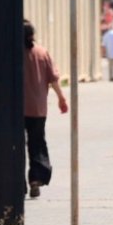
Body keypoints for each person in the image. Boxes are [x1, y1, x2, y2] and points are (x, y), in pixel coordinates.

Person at [23, 20, 68, 199]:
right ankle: (36, 179)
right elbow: (53, 79)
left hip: (15, 110)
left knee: (14, 146)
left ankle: (17, 183)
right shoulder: (42, 52)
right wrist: (61, 98)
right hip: (37, 108)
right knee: (37, 143)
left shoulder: (11, 53)